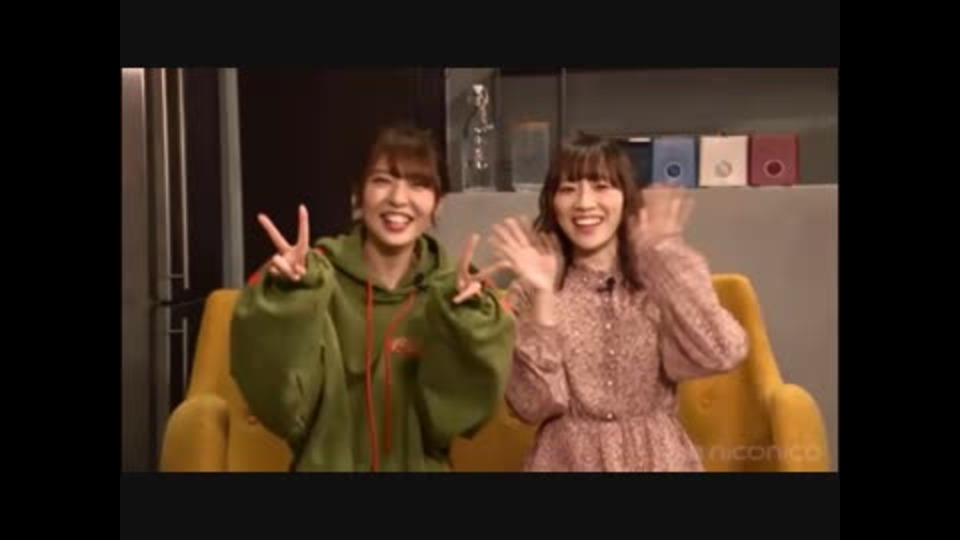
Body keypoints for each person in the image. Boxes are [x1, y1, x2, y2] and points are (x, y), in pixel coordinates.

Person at [230, 123, 516, 472]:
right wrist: (288, 299)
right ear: (357, 197)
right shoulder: (313, 278)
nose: (398, 198)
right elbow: (282, 406)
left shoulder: (455, 290)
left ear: (438, 205)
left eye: (418, 184)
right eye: (382, 180)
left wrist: (469, 320)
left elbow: (457, 418)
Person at [489, 132, 749, 472]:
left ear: (626, 196)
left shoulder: (657, 275)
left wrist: (664, 258)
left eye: (601, 186)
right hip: (565, 461)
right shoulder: (531, 290)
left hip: (658, 459)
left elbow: (723, 352)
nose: (584, 203)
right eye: (568, 189)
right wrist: (543, 296)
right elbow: (532, 405)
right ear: (552, 202)